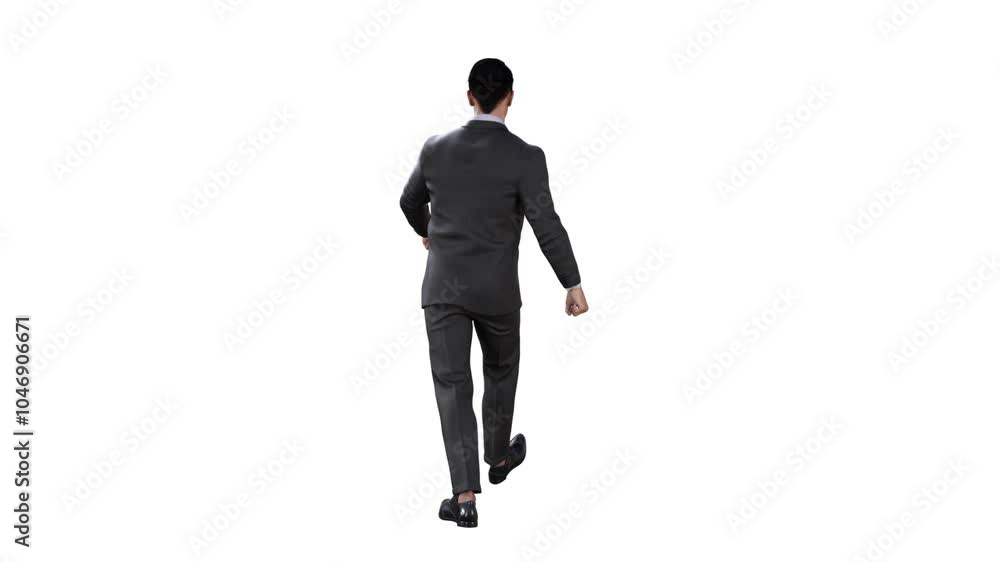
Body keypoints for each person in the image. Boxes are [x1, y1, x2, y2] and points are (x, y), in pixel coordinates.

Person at [399, 58, 589, 528]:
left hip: (442, 289)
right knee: (500, 372)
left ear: (470, 96)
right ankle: (499, 457)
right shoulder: (526, 157)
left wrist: (429, 232)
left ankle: (464, 497)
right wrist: (572, 283)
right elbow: (546, 224)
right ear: (510, 97)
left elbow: (409, 201)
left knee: (452, 386)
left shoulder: (435, 148)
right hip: (498, 291)